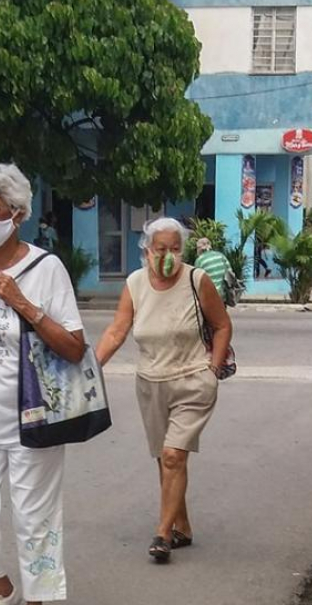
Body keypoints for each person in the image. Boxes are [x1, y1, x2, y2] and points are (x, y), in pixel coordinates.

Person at [0, 164, 86, 605]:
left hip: (33, 419)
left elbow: (74, 348)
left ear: (18, 213)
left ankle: (37, 597)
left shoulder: (47, 268)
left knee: (35, 519)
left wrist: (22, 304)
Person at [95, 217, 233, 562]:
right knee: (165, 460)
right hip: (150, 382)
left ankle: (162, 534)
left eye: (175, 248)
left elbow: (222, 325)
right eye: (161, 249)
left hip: (192, 380)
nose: (168, 255)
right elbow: (116, 331)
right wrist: (89, 367)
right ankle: (182, 525)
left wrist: (212, 369)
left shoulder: (195, 279)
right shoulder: (135, 283)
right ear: (147, 250)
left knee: (174, 455)